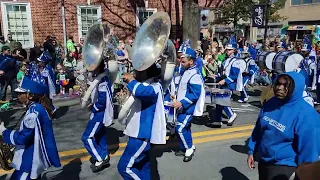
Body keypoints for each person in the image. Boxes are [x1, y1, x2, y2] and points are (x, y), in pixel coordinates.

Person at [247, 72, 320, 180]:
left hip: (285, 166)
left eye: (286, 86)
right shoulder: (271, 103)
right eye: (278, 84)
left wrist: (303, 173)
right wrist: (251, 151)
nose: (279, 88)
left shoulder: (307, 115)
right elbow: (259, 129)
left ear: (296, 88)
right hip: (264, 160)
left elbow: (309, 150)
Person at [0, 75, 60, 179]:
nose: (18, 96)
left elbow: (23, 138)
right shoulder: (36, 108)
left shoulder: (33, 113)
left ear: (30, 95)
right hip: (32, 156)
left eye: (20, 93)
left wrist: (4, 131)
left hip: (29, 160)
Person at [118, 63, 166, 179]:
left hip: (141, 136)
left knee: (125, 168)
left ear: (144, 73)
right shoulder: (144, 85)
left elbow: (142, 92)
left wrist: (131, 80)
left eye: (137, 72)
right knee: (143, 167)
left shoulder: (155, 86)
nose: (134, 74)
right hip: (136, 134)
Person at [171, 47, 205, 162]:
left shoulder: (194, 74)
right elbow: (182, 88)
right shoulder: (186, 71)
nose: (181, 62)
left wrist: (181, 102)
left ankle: (189, 148)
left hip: (188, 108)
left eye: (183, 60)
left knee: (180, 128)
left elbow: (194, 94)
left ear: (191, 61)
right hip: (182, 107)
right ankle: (185, 146)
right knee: (185, 128)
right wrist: (174, 95)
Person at [81, 62, 114, 173]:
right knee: (100, 135)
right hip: (99, 112)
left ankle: (100, 158)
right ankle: (104, 154)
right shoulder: (100, 78)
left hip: (99, 114)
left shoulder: (103, 80)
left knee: (87, 137)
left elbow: (102, 101)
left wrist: (94, 107)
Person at [213, 35, 239, 127]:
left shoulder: (236, 61)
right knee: (218, 101)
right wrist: (217, 76)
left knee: (222, 100)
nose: (227, 51)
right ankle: (217, 120)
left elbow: (234, 75)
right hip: (223, 83)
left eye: (230, 50)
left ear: (234, 50)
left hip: (229, 84)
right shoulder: (226, 60)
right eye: (227, 49)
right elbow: (223, 72)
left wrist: (225, 81)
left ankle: (231, 114)